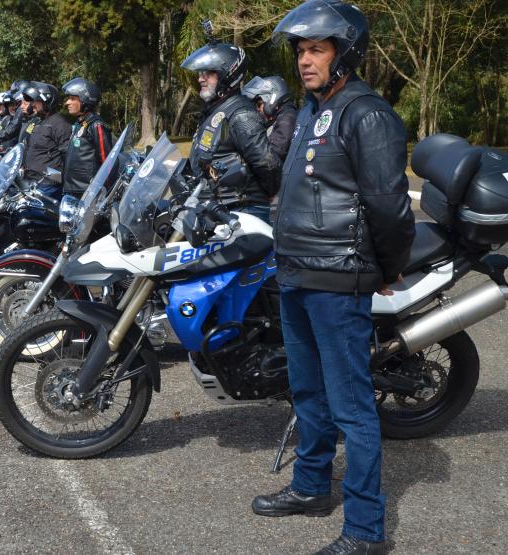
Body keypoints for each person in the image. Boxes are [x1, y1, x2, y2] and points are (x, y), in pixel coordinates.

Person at [252, 2, 415, 554]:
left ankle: (366, 531)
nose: (304, 60)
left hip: (337, 278)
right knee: (306, 392)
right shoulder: (312, 110)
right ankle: (311, 487)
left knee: (351, 406)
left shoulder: (366, 113)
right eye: (300, 50)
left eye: (316, 49)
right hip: (296, 273)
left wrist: (388, 267)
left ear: (344, 52)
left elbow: (389, 205)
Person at [180, 35, 278, 223]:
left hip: (245, 212)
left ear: (227, 74)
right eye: (200, 73)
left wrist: (268, 193)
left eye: (208, 73)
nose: (200, 78)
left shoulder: (240, 114)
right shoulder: (215, 111)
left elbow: (268, 164)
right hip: (219, 208)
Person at [241, 75, 298, 221]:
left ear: (271, 99)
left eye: (259, 104)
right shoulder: (281, 119)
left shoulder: (287, 119)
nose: (257, 110)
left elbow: (273, 154)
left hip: (281, 196)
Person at [61, 77, 113, 196]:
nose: (67, 102)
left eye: (72, 98)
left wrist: (106, 192)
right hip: (72, 190)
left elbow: (108, 162)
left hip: (86, 192)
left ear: (85, 100)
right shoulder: (79, 124)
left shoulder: (96, 125)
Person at [20, 82, 69, 201]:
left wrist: (54, 178)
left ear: (47, 102)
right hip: (31, 180)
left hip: (47, 185)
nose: (32, 105)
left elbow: (67, 157)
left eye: (35, 101)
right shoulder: (37, 121)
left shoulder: (60, 124)